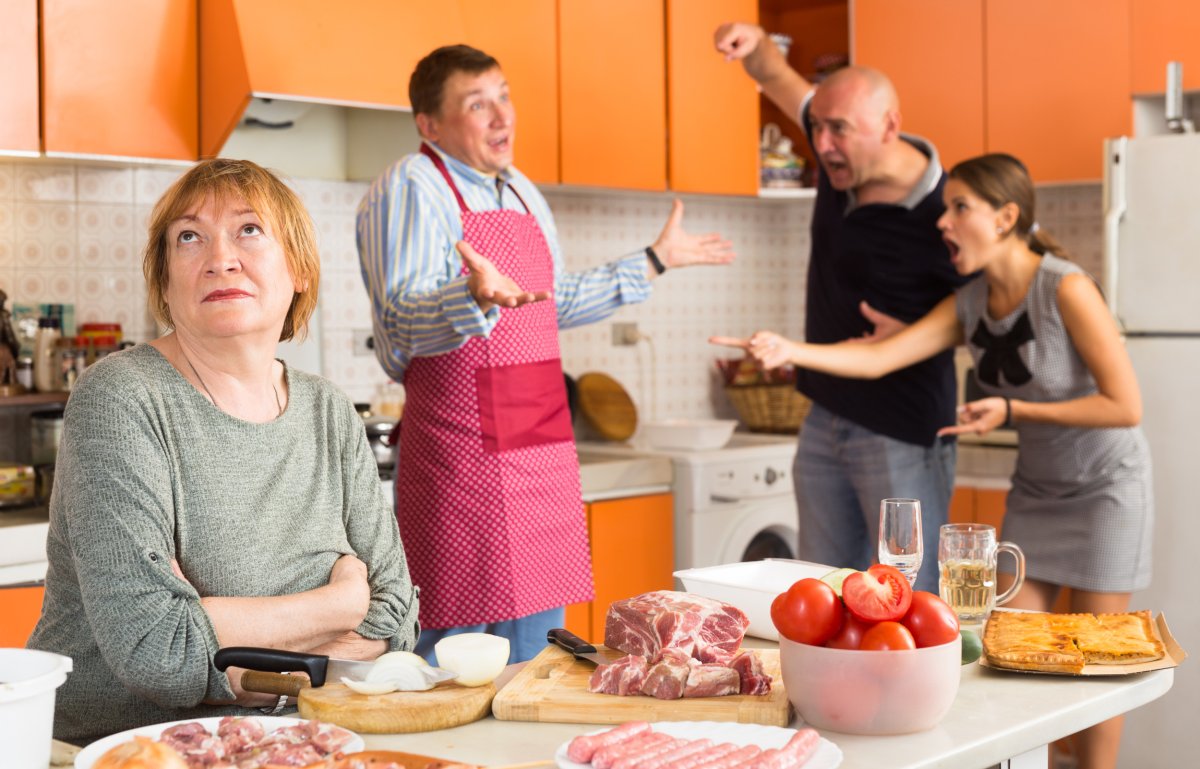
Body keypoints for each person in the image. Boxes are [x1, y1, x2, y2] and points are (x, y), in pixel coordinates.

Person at [714, 152, 1151, 769]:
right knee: (1014, 665)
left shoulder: (1067, 288)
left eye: (959, 207)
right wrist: (790, 348)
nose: (942, 222)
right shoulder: (971, 301)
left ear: (1005, 217)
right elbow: (877, 359)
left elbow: (1126, 406)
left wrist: (1012, 411)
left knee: (1098, 674)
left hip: (1108, 490)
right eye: (945, 207)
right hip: (1039, 491)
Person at [356, 44, 734, 663]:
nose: (502, 116)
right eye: (477, 104)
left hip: (541, 448)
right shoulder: (410, 187)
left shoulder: (524, 192)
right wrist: (468, 295)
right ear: (430, 123)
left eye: (503, 95)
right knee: (456, 658)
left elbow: (547, 306)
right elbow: (398, 320)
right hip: (462, 450)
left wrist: (653, 260)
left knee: (539, 658)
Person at [28, 159, 419, 743]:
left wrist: (219, 637)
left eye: (249, 230)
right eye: (189, 237)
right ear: (164, 281)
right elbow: (154, 648)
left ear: (300, 268)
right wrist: (339, 604)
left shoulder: (328, 410)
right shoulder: (122, 398)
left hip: (291, 741)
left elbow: (397, 619)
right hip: (125, 749)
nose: (220, 259)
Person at [713, 23, 968, 591]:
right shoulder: (838, 163)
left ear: (890, 125)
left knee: (906, 594)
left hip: (902, 427)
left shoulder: (946, 208)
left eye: (840, 130)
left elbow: (990, 301)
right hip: (824, 413)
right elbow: (777, 78)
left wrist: (929, 331)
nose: (822, 143)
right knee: (821, 594)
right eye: (818, 127)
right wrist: (751, 45)